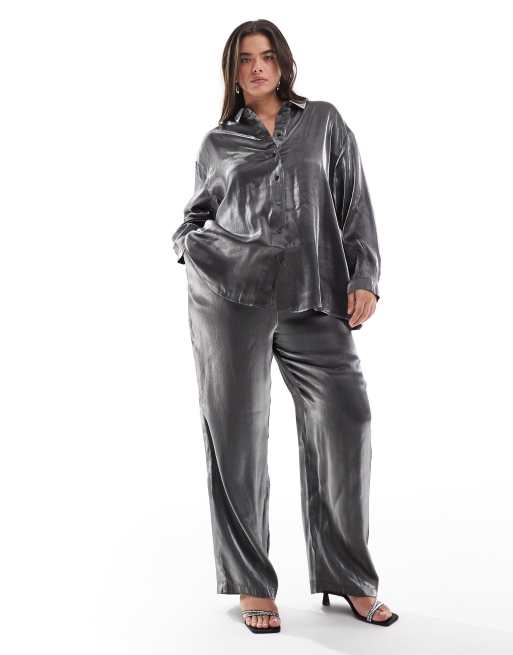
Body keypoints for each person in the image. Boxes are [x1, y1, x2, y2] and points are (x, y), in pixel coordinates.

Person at [171, 19, 399, 633]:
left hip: (315, 297)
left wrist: (364, 275)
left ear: (283, 63)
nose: (257, 67)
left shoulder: (324, 123)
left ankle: (348, 577)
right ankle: (251, 584)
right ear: (232, 71)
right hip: (232, 302)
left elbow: (354, 203)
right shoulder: (218, 142)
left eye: (267, 56)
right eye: (246, 58)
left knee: (347, 419)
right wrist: (194, 248)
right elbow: (194, 218)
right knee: (237, 439)